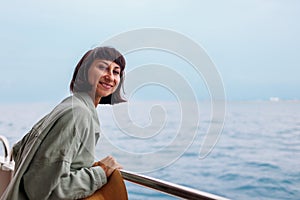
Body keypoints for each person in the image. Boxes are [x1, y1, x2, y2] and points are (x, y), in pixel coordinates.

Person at [1, 46, 125, 200]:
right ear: (84, 71)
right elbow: (41, 189)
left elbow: (20, 151)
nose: (110, 76)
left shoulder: (69, 105)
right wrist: (100, 173)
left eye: (116, 71)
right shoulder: (78, 113)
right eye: (102, 67)